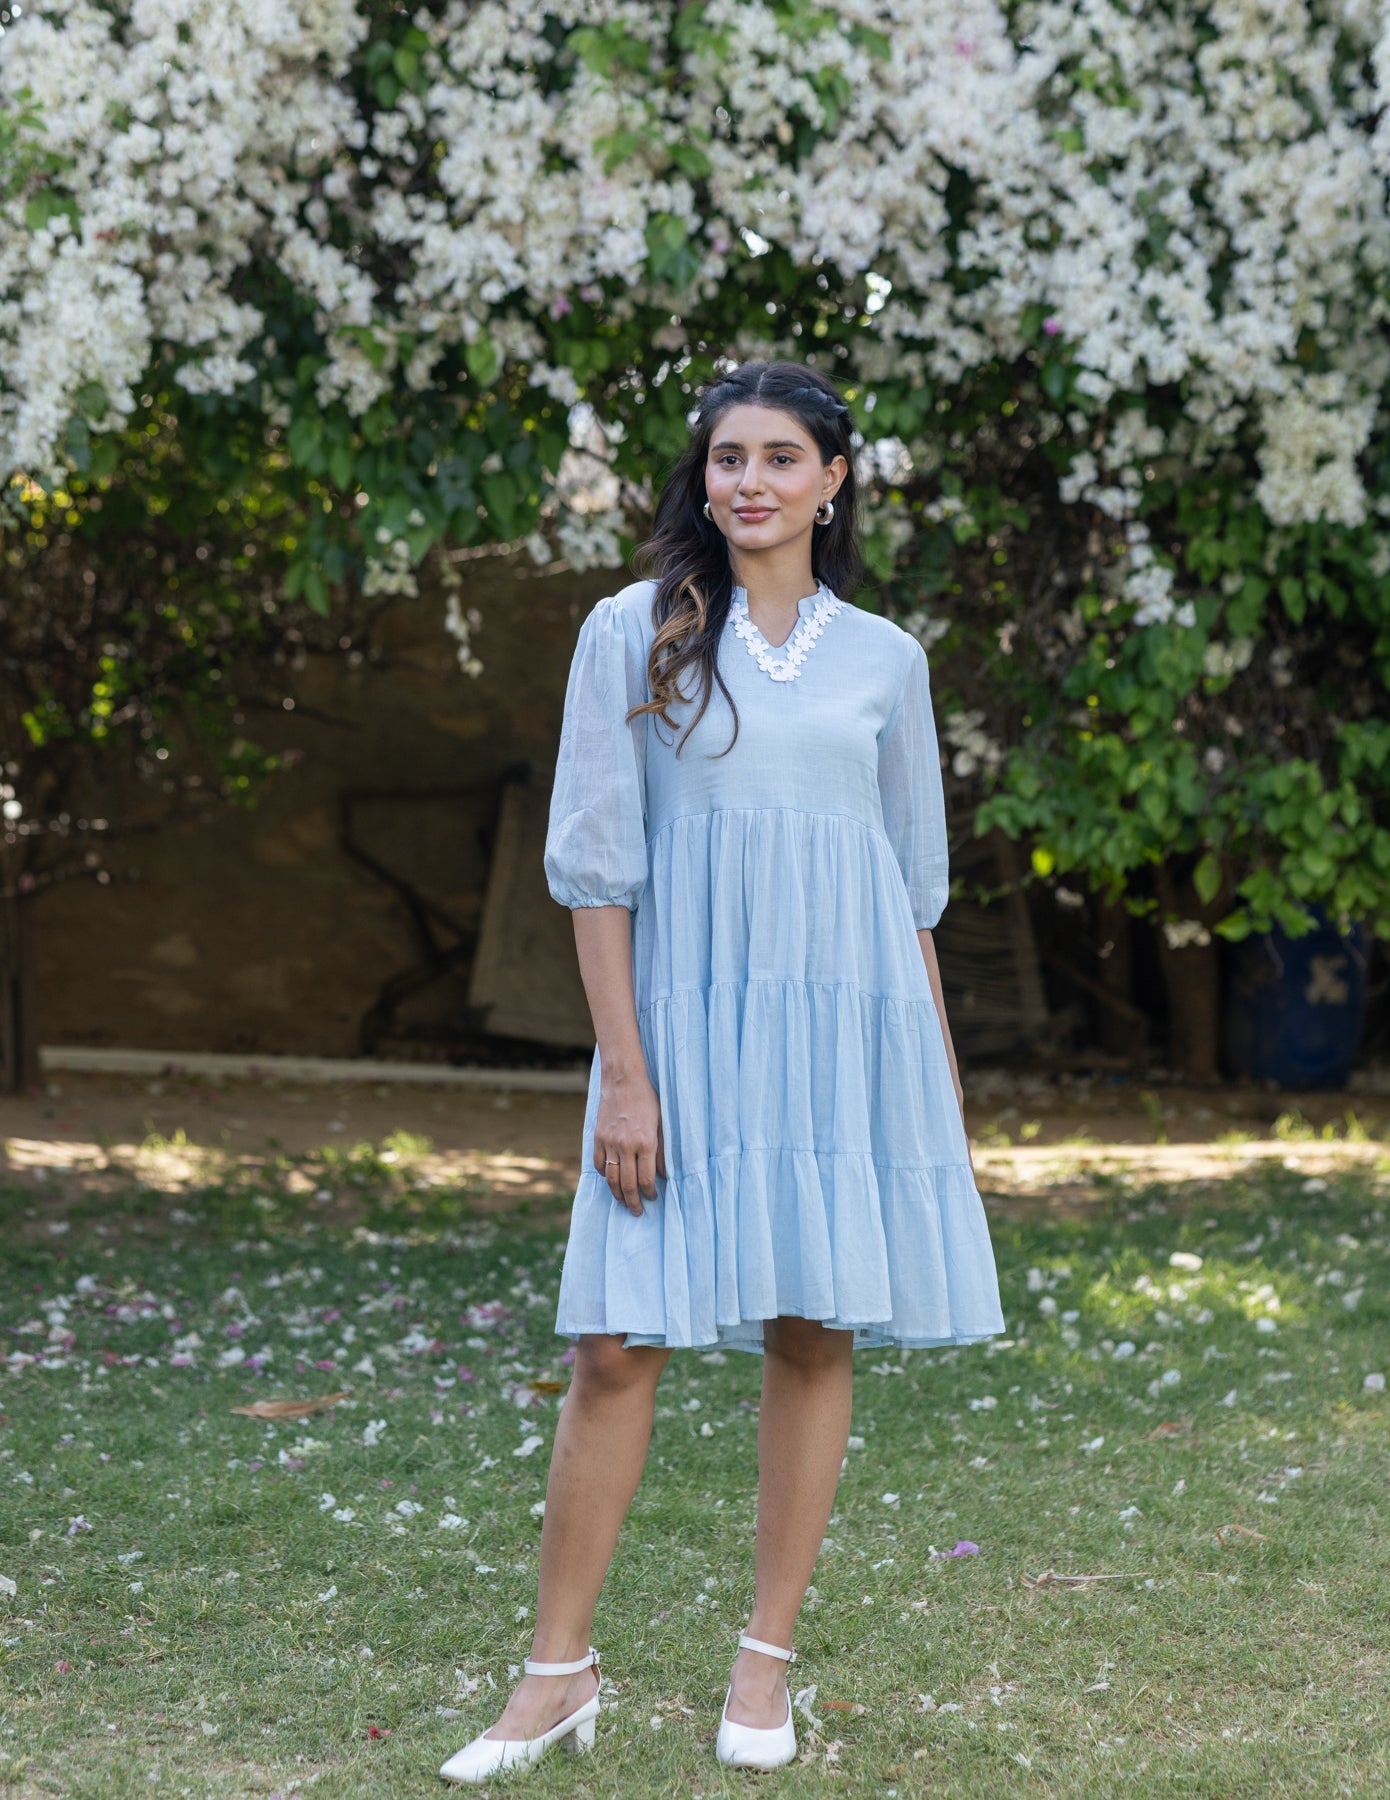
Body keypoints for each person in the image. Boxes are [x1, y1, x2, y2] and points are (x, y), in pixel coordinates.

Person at [439, 359, 1005, 1783]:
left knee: (814, 1330)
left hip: (840, 1041)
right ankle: (554, 1676)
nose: (747, 480)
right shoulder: (632, 631)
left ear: (833, 479)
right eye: (726, 458)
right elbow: (596, 872)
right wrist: (623, 1077)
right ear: (704, 479)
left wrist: (929, 1096)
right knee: (615, 1346)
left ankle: (766, 1667)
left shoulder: (887, 659)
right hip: (678, 1039)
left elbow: (910, 892)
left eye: (778, 457)